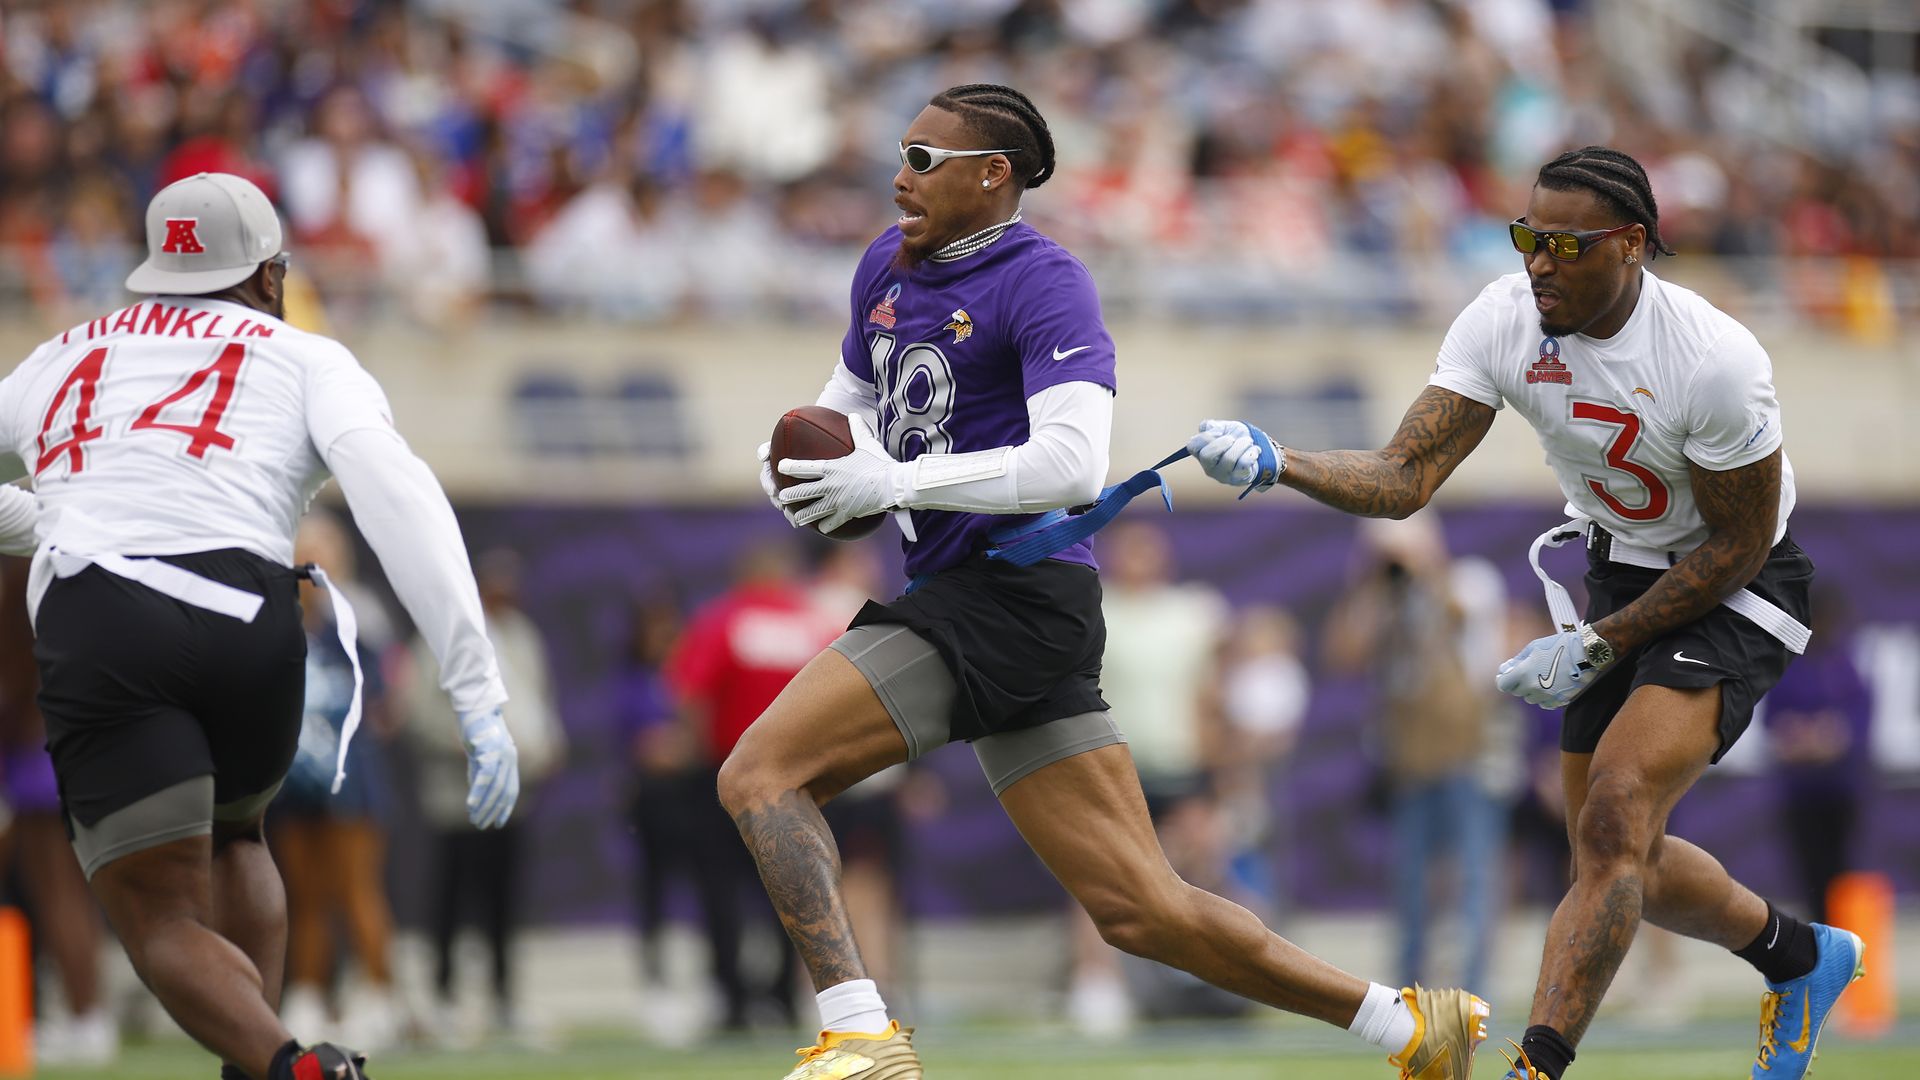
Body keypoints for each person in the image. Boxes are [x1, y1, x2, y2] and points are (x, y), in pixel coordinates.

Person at [724, 84, 1488, 1080]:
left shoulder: (1046, 282)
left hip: (1008, 597)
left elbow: (1074, 465)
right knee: (1142, 910)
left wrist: (894, 477)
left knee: (761, 774)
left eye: (921, 156)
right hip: (990, 602)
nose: (899, 175)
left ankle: (862, 1031)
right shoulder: (886, 262)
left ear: (992, 174)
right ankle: (1411, 1027)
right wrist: (804, 472)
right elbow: (848, 406)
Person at [1187, 146, 1859, 1080]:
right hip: (1618, 571)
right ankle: (1799, 957)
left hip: (1736, 583)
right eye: (1526, 237)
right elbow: (1405, 477)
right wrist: (1279, 461)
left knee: (1617, 813)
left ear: (1631, 245)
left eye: (1565, 245)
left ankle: (1532, 1067)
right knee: (1616, 851)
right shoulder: (1505, 317)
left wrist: (1600, 641)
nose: (1539, 262)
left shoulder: (1712, 358)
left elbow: (1737, 546)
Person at [0, 172, 519, 1080]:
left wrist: (39, 521)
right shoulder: (308, 358)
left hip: (110, 620)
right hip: (253, 613)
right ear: (272, 275)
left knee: (160, 916)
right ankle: (265, 1071)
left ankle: (288, 1067)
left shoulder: (62, 353)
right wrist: (476, 686)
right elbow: (400, 498)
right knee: (240, 836)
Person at [1325, 515, 1508, 995]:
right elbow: (1344, 654)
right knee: (1409, 882)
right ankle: (1410, 989)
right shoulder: (1379, 599)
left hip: (1467, 753)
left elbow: (1463, 622)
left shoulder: (1468, 581)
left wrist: (1426, 571)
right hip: (1408, 760)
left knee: (1472, 874)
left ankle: (1474, 988)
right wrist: (1369, 584)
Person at [405, 548, 565, 1044]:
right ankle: (443, 996)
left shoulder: (521, 635)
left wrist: (548, 748)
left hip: (511, 796)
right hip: (458, 798)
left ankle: (502, 998)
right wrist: (462, 741)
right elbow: (418, 712)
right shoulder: (441, 634)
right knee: (452, 899)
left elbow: (537, 704)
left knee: (503, 900)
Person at [271, 514, 401, 1052]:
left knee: (356, 890)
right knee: (303, 896)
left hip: (349, 778)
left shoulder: (357, 618)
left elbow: (387, 698)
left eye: (319, 561)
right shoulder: (274, 622)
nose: (310, 573)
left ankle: (378, 997)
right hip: (292, 780)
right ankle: (306, 996)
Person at [1762, 588, 1871, 925]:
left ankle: (1843, 930)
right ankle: (1820, 931)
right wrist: (1803, 737)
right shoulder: (1790, 669)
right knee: (1808, 868)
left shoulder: (1844, 666)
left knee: (1839, 865)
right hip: (1800, 790)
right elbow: (1773, 723)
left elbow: (1856, 724)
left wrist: (1830, 737)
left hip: (1839, 788)